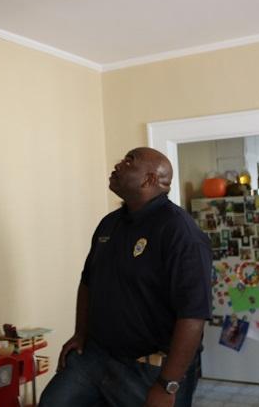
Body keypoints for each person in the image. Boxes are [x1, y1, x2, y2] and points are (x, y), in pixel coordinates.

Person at [39, 147, 211, 407]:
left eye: (130, 161)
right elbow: (88, 282)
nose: (119, 164)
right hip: (95, 358)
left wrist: (168, 385)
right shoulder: (110, 224)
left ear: (150, 179)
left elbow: (193, 316)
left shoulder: (180, 232)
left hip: (149, 368)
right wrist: (79, 333)